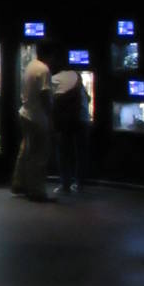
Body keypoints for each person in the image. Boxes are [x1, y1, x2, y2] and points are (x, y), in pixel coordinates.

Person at [12, 40, 54, 200]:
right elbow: (45, 95)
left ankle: (19, 183)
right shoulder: (44, 70)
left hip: (25, 113)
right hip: (37, 117)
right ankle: (36, 190)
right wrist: (51, 116)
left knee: (25, 150)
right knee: (39, 154)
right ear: (49, 54)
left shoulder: (30, 66)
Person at [51, 55, 90, 192]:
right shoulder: (77, 76)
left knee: (63, 152)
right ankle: (80, 183)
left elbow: (49, 100)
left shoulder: (54, 79)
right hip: (82, 118)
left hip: (65, 122)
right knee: (80, 152)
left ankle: (65, 184)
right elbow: (88, 98)